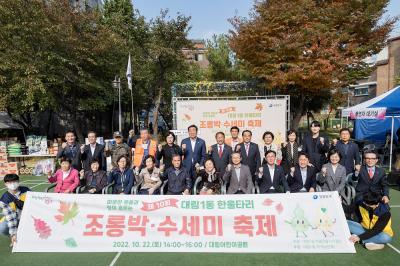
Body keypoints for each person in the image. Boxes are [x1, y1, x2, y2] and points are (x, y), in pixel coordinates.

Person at [0, 174, 30, 247]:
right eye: (9, 182)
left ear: (18, 181)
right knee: (2, 228)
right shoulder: (4, 200)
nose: (12, 184)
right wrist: (13, 234)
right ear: (5, 184)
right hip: (15, 218)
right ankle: (13, 237)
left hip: (27, 216)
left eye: (15, 181)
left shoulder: (26, 190)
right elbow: (11, 218)